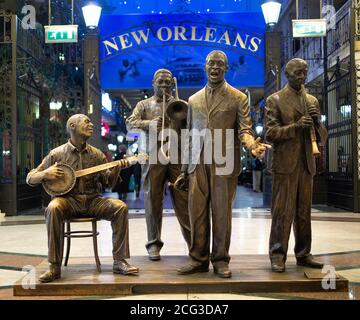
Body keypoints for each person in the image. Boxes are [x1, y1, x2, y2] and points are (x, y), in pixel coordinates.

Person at [176, 50, 270, 278]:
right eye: (211, 63)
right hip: (197, 163)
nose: (215, 67)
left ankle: (220, 260)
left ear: (226, 68)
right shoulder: (193, 100)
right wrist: (184, 170)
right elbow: (189, 136)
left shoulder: (237, 98)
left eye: (220, 64)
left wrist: (251, 145)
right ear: (205, 66)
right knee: (196, 213)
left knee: (221, 214)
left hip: (223, 162)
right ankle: (198, 259)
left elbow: (245, 130)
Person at [26, 114, 139, 283]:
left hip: (93, 200)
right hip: (68, 201)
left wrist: (116, 169)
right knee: (53, 207)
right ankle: (54, 266)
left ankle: (119, 261)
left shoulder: (97, 155)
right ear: (72, 125)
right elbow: (30, 178)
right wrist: (45, 174)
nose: (91, 125)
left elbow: (108, 184)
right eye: (86, 122)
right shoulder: (56, 154)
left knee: (120, 207)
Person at [265, 58, 328, 272]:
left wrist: (318, 123)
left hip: (306, 163)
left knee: (303, 212)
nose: (301, 76)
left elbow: (323, 138)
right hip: (285, 164)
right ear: (287, 75)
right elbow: (270, 133)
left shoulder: (312, 100)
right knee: (282, 211)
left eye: (304, 72)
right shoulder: (275, 100)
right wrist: (295, 126)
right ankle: (277, 254)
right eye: (297, 73)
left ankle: (303, 253)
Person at [126, 69, 191, 260]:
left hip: (176, 157)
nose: (164, 86)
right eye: (160, 82)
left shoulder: (181, 104)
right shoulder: (143, 105)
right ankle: (153, 243)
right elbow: (130, 126)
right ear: (153, 83)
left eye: (167, 82)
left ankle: (193, 242)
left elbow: (192, 128)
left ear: (172, 84)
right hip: (153, 158)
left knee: (184, 199)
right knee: (152, 199)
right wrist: (149, 123)